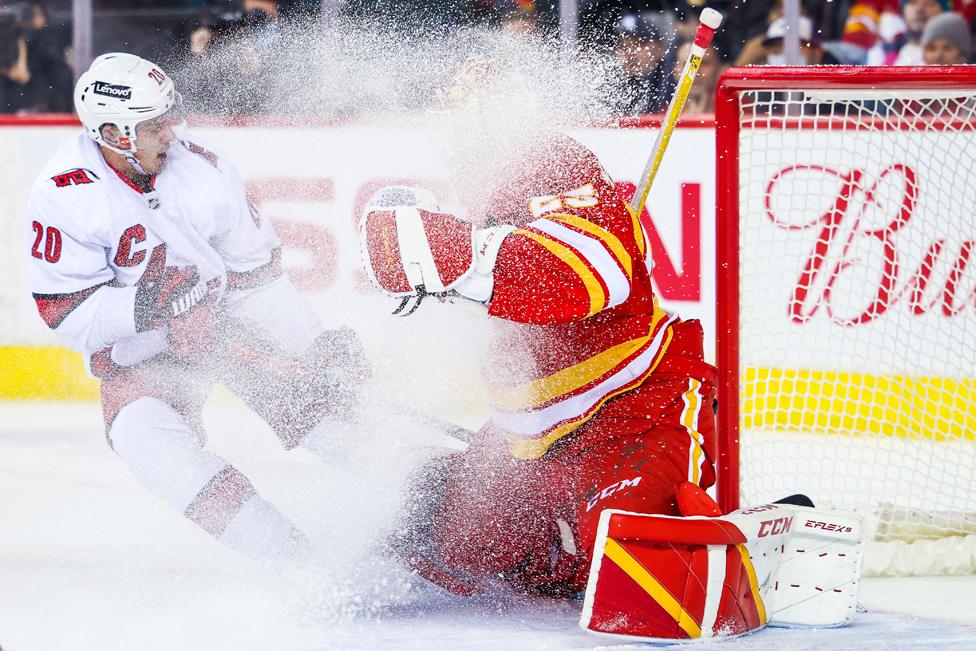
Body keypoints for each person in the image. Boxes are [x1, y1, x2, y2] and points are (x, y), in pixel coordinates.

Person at [361, 60, 717, 596]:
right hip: (527, 440)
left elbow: (598, 267)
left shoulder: (551, 160)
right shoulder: (488, 184)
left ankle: (648, 526)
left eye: (464, 118)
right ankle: (545, 532)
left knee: (629, 561)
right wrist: (442, 276)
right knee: (453, 543)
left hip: (632, 413)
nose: (454, 134)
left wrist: (465, 259)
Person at [25, 53, 367, 566]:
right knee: (146, 443)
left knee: (329, 418)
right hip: (144, 359)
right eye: (155, 125)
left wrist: (312, 344)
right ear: (116, 134)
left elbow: (259, 283)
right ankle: (299, 565)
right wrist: (145, 307)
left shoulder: (205, 169)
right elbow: (68, 316)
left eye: (169, 117)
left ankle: (428, 509)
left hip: (230, 331)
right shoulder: (63, 195)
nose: (172, 134)